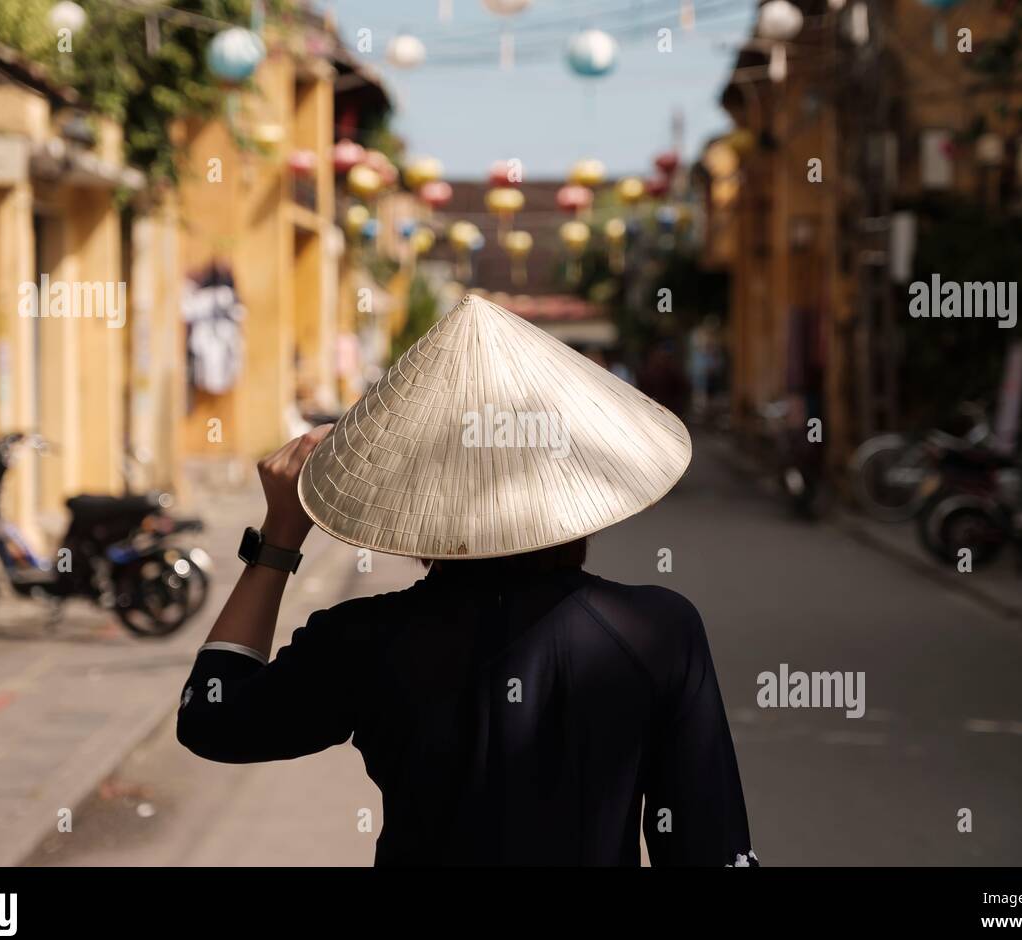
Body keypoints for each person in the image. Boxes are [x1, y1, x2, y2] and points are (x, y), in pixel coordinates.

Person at [177, 294, 756, 866]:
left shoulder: (364, 640)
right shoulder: (659, 632)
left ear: (417, 501)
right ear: (578, 490)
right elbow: (710, 847)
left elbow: (212, 716)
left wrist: (277, 541)